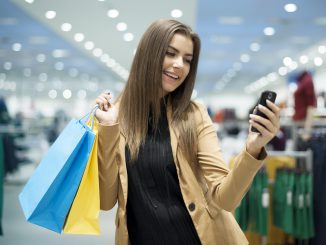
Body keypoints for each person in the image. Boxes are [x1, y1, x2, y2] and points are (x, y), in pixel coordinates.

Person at [94, 19, 280, 245]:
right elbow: (105, 200)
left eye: (187, 59)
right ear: (148, 54)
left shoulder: (194, 115)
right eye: (170, 53)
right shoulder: (115, 118)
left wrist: (252, 149)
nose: (179, 64)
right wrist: (108, 130)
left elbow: (226, 199)